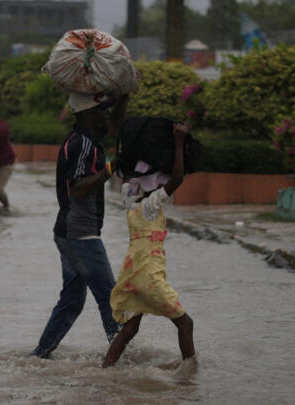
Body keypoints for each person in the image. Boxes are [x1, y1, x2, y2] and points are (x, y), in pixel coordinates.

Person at [30, 93, 128, 359]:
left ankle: (40, 355)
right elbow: (79, 189)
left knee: (72, 301)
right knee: (111, 297)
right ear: (87, 114)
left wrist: (125, 94)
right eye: (102, 110)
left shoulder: (89, 139)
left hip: (68, 232)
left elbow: (115, 124)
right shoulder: (82, 145)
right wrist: (111, 169)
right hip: (80, 233)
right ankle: (122, 362)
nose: (107, 114)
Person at [102, 123, 195, 368]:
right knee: (185, 323)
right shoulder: (151, 204)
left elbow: (129, 175)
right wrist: (177, 143)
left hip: (132, 272)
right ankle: (189, 378)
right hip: (148, 274)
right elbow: (176, 178)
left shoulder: (129, 199)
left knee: (131, 327)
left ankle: (106, 369)